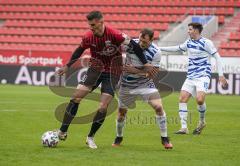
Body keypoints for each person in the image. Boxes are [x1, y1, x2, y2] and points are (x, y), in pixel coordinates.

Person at [56, 11, 153, 149]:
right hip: (94, 70)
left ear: (101, 22)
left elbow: (135, 46)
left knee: (103, 107)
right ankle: (63, 131)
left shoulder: (115, 34)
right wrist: (67, 66)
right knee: (76, 97)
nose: (91, 28)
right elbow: (79, 50)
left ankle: (90, 137)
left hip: (113, 72)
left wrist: (145, 63)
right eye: (90, 25)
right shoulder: (88, 36)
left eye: (93, 25)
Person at [159, 22, 228, 135]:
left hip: (203, 76)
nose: (188, 31)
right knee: (182, 99)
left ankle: (201, 121)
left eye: (190, 29)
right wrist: (160, 48)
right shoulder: (189, 42)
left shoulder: (206, 43)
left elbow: (217, 57)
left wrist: (221, 75)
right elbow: (177, 48)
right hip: (190, 76)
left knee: (200, 100)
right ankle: (184, 128)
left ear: (196, 30)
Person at [112, 28, 173, 149]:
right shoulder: (131, 44)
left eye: (144, 41)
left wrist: (134, 70)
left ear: (151, 40)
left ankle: (165, 138)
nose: (141, 43)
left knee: (159, 107)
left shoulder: (156, 52)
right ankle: (119, 137)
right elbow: (116, 49)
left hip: (145, 83)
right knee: (121, 114)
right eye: (140, 39)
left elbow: (152, 73)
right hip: (126, 84)